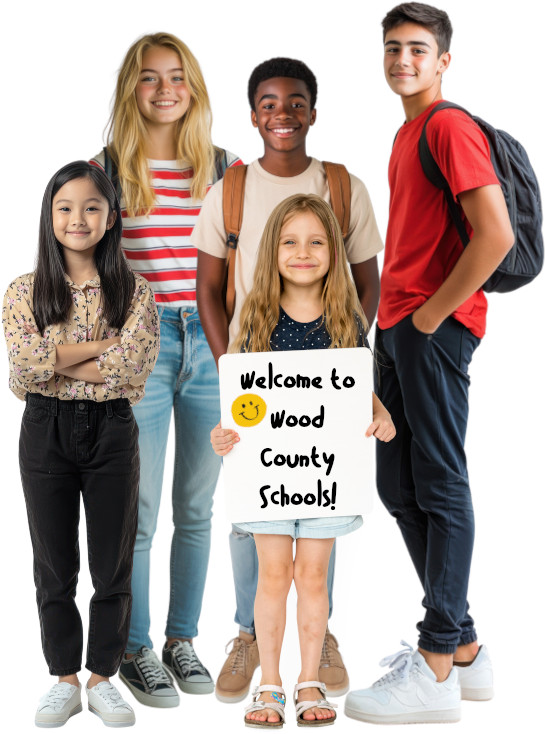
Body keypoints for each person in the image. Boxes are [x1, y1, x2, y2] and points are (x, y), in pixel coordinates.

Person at [344, 3, 514, 726]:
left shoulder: (445, 127)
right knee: (397, 485)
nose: (402, 60)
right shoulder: (406, 131)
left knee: (439, 483)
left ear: (443, 61)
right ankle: (466, 650)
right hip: (400, 328)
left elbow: (495, 235)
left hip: (429, 329)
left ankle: (437, 660)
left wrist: (430, 315)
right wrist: (397, 323)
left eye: (417, 49)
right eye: (392, 48)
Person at [194, 56, 383, 703]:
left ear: (312, 110)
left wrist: (347, 370)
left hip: (324, 378)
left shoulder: (340, 184)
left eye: (295, 101)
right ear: (253, 114)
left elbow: (364, 277)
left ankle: (317, 637)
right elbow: (210, 289)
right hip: (253, 368)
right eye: (269, 103)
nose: (282, 114)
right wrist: (235, 377)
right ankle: (251, 637)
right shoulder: (233, 189)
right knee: (253, 522)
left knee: (317, 542)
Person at [91, 32, 242, 707]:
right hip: (143, 351)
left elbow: (251, 266)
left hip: (212, 348)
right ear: (132, 88)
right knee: (140, 509)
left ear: (194, 88)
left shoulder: (224, 168)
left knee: (197, 506)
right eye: (149, 78)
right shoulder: (104, 171)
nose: (163, 90)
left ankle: (182, 640)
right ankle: (136, 647)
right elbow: (82, 271)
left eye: (176, 77)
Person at [210, 194, 395, 727]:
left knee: (313, 576)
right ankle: (269, 685)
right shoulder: (256, 317)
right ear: (272, 252)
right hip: (268, 473)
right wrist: (225, 434)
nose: (303, 252)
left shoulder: (345, 319)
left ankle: (308, 681)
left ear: (335, 253)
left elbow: (357, 389)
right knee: (273, 575)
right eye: (290, 242)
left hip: (326, 475)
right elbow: (241, 402)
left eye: (317, 242)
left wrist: (380, 415)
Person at [2, 161, 159, 728]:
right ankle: (64, 678)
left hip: (113, 430)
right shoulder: (24, 291)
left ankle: (102, 677)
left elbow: (132, 369)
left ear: (111, 218)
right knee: (54, 562)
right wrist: (93, 355)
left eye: (91, 207)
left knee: (112, 561)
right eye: (65, 207)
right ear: (49, 217)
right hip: (44, 430)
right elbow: (22, 368)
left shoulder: (134, 292)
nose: (78, 218)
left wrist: (57, 357)